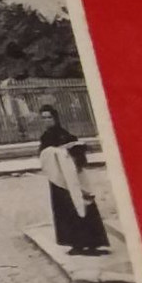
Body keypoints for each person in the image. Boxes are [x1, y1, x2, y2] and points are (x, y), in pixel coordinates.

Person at [38, 105, 110, 255]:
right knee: (66, 211)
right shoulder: (45, 137)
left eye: (49, 117)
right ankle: (75, 243)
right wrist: (55, 152)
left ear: (55, 118)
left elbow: (76, 151)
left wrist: (72, 150)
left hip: (71, 177)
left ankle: (91, 243)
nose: (46, 121)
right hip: (58, 180)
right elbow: (44, 156)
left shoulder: (64, 134)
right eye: (43, 118)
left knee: (82, 205)